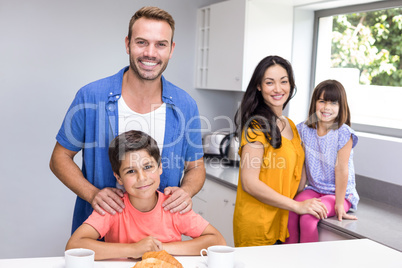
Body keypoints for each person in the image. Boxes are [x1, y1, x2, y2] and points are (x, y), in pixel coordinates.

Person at [49, 6, 205, 234]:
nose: (150, 52)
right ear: (127, 44)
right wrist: (93, 194)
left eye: (160, 44)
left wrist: (186, 191)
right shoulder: (91, 96)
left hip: (161, 237)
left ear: (171, 50)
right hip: (100, 237)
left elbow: (195, 167)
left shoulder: (185, 105)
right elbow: (59, 158)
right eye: (142, 42)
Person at [66, 130, 225, 260]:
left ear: (160, 167)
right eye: (131, 171)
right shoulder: (113, 207)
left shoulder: (172, 206)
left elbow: (218, 241)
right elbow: (74, 246)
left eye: (148, 167)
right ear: (118, 177)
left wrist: (159, 248)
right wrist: (133, 249)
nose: (142, 178)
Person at [232, 55, 328, 247]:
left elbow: (298, 179)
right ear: (259, 86)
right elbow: (249, 183)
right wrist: (298, 206)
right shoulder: (256, 126)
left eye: (284, 81)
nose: (278, 89)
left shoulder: (291, 126)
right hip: (258, 226)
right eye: (270, 82)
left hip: (285, 224)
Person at [285, 79, 359, 244]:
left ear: (341, 107)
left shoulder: (343, 133)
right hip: (314, 189)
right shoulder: (304, 129)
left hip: (339, 194)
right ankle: (288, 258)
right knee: (290, 210)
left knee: (308, 217)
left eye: (333, 102)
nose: (327, 107)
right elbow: (303, 164)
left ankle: (308, 261)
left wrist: (340, 204)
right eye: (322, 101)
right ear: (314, 103)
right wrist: (297, 193)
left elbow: (341, 169)